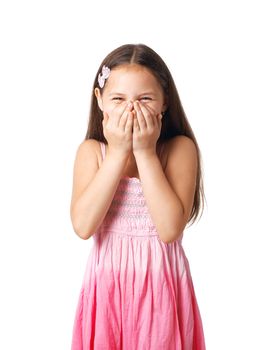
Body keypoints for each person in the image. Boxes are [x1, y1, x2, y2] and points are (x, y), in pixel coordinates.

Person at [70, 43, 206, 349]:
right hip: (106, 291)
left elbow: (170, 230)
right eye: (118, 99)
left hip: (162, 292)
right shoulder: (92, 152)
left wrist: (145, 152)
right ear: (100, 101)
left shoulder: (179, 149)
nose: (131, 109)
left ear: (164, 102)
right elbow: (83, 226)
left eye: (144, 99)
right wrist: (117, 153)